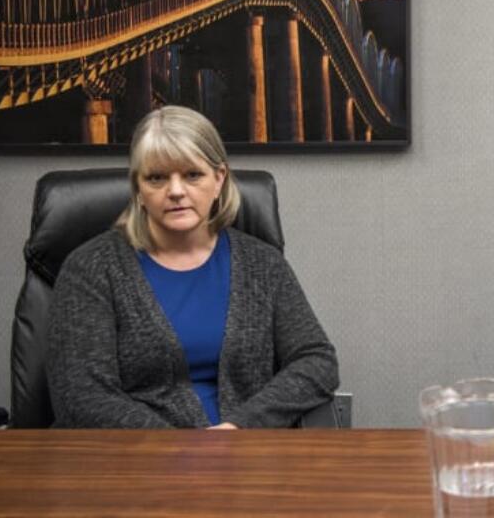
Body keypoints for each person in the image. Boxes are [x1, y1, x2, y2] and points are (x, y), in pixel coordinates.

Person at [47, 106, 339, 428]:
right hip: (134, 462)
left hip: (246, 458)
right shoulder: (92, 268)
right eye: (156, 177)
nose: (175, 191)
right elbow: (81, 396)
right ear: (138, 190)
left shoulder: (263, 264)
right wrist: (180, 448)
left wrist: (240, 427)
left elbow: (317, 361)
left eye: (192, 175)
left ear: (219, 180)